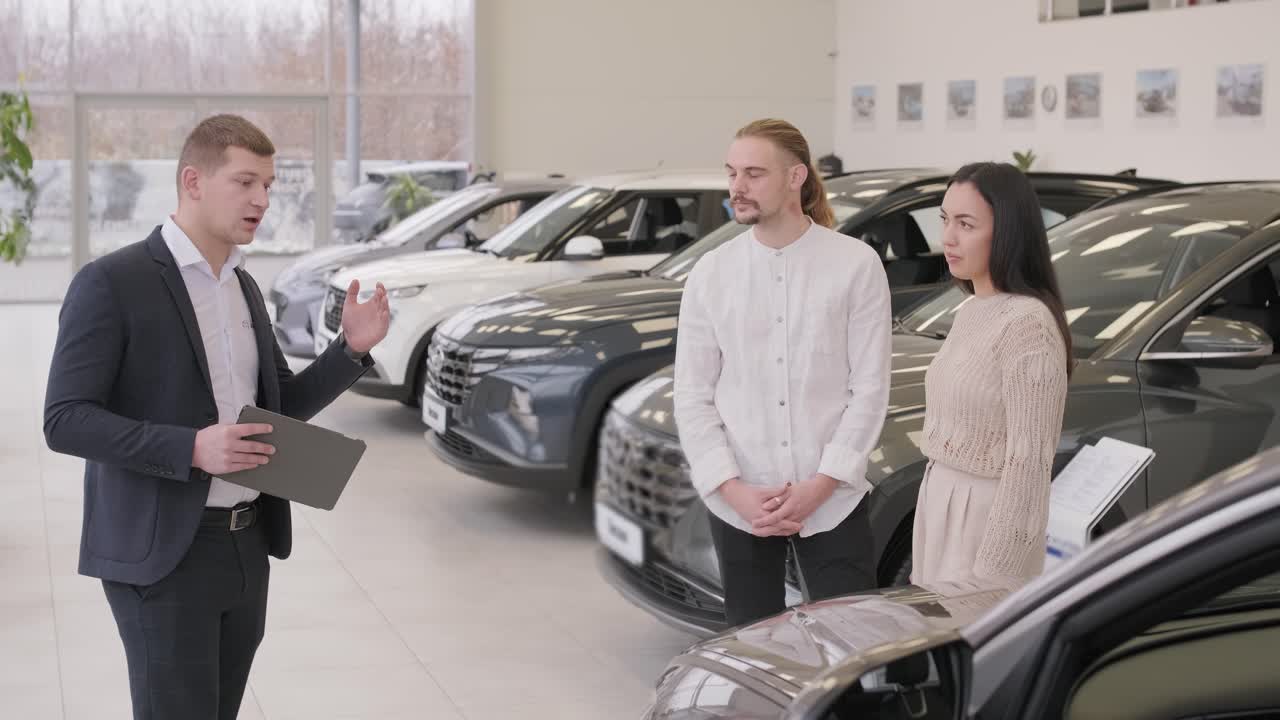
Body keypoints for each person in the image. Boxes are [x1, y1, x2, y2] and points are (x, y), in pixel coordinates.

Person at [43, 114, 391, 720]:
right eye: (245, 182)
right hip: (163, 553)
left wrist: (350, 350)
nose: (262, 200)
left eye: (268, 185)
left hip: (246, 543)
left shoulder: (242, 286)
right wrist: (191, 448)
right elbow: (65, 419)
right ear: (193, 182)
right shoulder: (112, 282)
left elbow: (280, 405)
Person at [674, 118, 892, 626]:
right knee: (753, 645)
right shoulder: (711, 273)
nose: (737, 187)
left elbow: (869, 389)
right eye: (732, 173)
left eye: (754, 173)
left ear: (796, 177)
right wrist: (733, 490)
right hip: (741, 501)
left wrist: (822, 484)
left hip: (832, 497)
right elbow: (693, 394)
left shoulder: (855, 264)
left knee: (850, 642)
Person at [911, 162, 1072, 585]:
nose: (948, 238)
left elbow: (1029, 463)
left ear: (1007, 233)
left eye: (966, 224)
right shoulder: (973, 309)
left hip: (983, 520)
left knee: (972, 626)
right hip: (943, 504)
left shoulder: (1028, 324)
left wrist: (995, 573)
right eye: (945, 219)